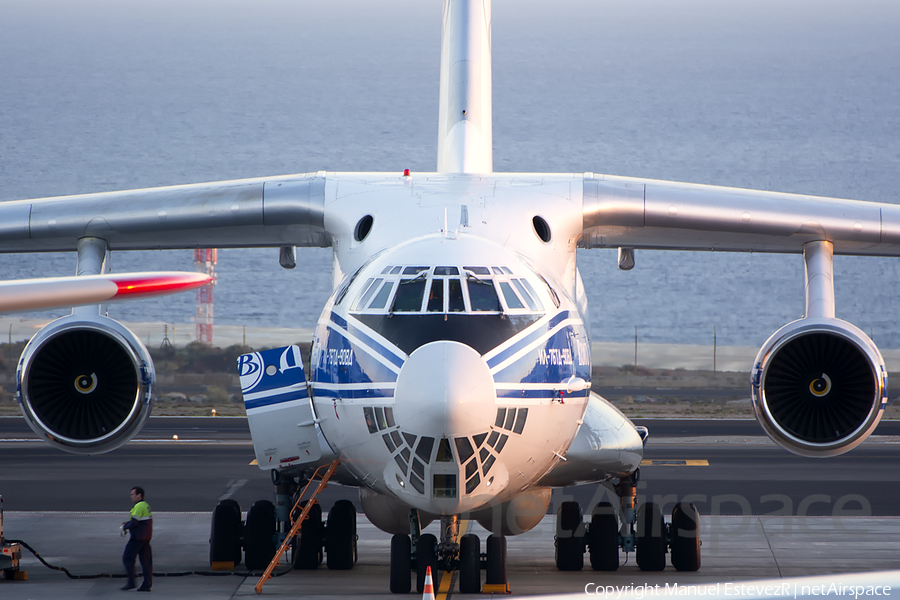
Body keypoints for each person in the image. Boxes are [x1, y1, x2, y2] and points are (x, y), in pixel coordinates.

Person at [121, 486, 152, 591]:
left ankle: (131, 582)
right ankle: (147, 585)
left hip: (137, 538)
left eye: (133, 494)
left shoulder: (139, 506)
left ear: (139, 495)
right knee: (146, 561)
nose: (131, 496)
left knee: (127, 558)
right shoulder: (145, 506)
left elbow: (134, 522)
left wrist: (125, 526)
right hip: (146, 537)